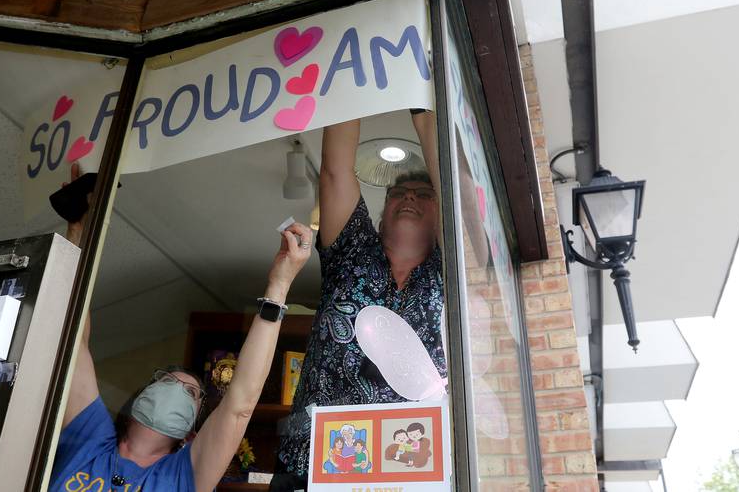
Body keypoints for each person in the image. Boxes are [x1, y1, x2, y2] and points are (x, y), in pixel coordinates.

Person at [50, 164, 313, 492]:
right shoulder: (90, 439)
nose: (173, 390)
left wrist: (280, 285)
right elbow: (71, 338)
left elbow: (240, 403)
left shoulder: (184, 476)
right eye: (166, 381)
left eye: (190, 393)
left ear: (192, 429)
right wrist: (78, 234)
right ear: (141, 397)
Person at [272, 111, 446, 489]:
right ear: (381, 218)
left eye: (424, 193)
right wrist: (357, 87)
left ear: (439, 216)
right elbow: (335, 172)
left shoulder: (449, 274)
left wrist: (425, 114)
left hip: (410, 472)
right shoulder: (352, 252)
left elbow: (458, 195)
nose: (409, 196)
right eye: (397, 193)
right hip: (313, 462)